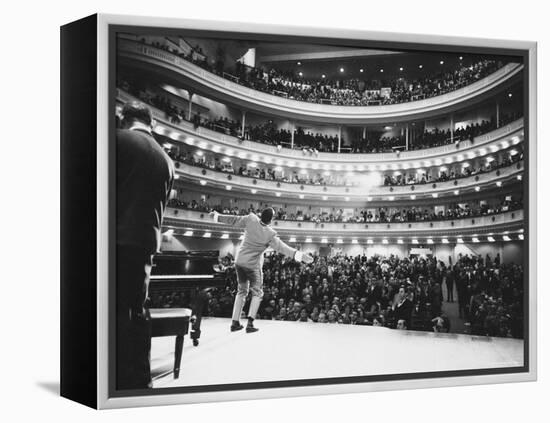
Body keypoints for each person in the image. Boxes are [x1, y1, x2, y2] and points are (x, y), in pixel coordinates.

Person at [116, 101, 174, 389]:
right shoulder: (167, 160)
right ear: (151, 123)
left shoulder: (118, 139)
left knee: (111, 311)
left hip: (114, 238)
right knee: (134, 312)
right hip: (144, 244)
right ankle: (139, 380)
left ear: (124, 118)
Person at [210, 207, 313, 332]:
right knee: (257, 293)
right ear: (271, 220)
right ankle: (250, 324)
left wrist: (217, 216)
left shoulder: (251, 219)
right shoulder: (270, 234)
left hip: (239, 262)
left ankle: (235, 322)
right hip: (252, 266)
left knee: (241, 291)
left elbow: (233, 220)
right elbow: (283, 248)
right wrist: (301, 256)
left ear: (260, 214)